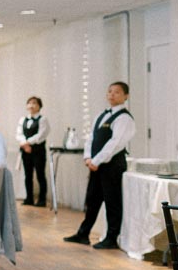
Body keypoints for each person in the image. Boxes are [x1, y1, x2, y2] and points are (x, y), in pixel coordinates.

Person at [65, 82, 135, 249]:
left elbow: (115, 143)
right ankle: (83, 233)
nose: (112, 95)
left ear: (126, 96)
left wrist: (96, 161)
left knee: (112, 201)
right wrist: (88, 157)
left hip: (112, 165)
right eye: (110, 91)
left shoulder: (124, 118)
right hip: (96, 165)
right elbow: (91, 138)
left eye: (117, 92)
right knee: (92, 199)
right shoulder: (101, 115)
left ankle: (111, 237)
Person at [16, 96, 50, 207]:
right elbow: (19, 133)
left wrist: (28, 143)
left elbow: (41, 134)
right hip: (26, 151)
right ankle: (29, 198)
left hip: (38, 151)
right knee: (28, 175)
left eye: (34, 103)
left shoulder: (43, 119)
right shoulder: (23, 119)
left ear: (39, 106)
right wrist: (24, 143)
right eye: (29, 103)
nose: (31, 105)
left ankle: (42, 200)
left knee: (40, 175)